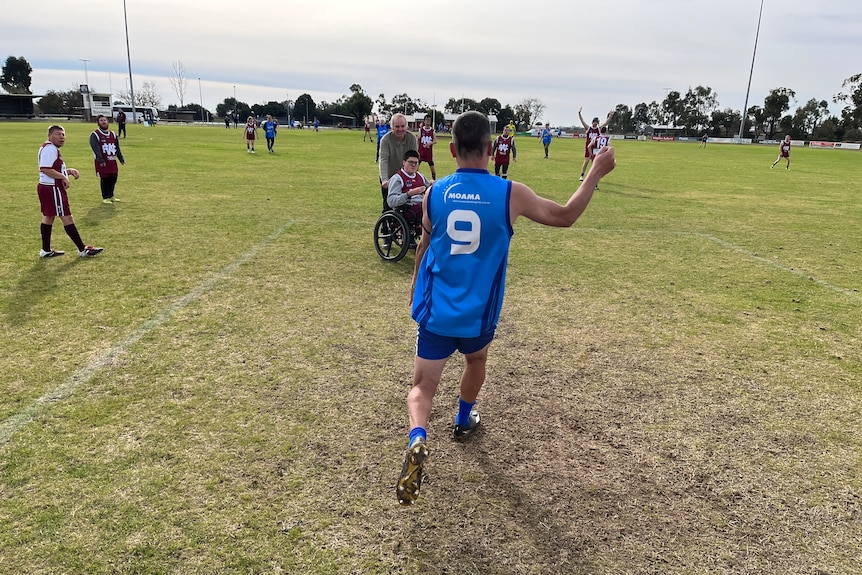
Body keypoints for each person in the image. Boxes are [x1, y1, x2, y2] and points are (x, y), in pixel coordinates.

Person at [395, 111, 616, 506]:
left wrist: (414, 288)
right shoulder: (510, 193)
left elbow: (424, 247)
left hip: (436, 312)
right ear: (491, 148)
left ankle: (418, 438)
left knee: (421, 387)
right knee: (476, 361)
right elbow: (565, 216)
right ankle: (463, 420)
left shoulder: (434, 193)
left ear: (450, 150)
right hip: (478, 315)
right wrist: (594, 173)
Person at [37, 125, 104, 258]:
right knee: (67, 217)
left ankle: (45, 250)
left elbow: (50, 168)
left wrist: (67, 172)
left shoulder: (48, 147)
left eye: (63, 134)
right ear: (50, 135)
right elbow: (45, 169)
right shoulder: (50, 149)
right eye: (58, 134)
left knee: (49, 217)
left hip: (46, 187)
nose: (62, 137)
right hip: (52, 188)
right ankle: (82, 249)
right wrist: (63, 177)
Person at [378, 113, 418, 213]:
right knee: (388, 206)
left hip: (406, 177)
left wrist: (415, 176)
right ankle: (385, 227)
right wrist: (384, 179)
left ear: (406, 126)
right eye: (397, 126)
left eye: (402, 126)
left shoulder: (411, 138)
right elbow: (383, 159)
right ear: (392, 127)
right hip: (390, 177)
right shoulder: (385, 140)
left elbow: (414, 159)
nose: (400, 129)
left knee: (409, 206)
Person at [386, 149, 429, 227]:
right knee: (426, 209)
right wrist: (409, 194)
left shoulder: (420, 176)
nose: (413, 165)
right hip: (407, 208)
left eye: (416, 163)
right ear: (404, 162)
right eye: (411, 162)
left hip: (422, 204)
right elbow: (391, 201)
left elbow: (429, 189)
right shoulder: (397, 178)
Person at [89, 114, 126, 204]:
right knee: (105, 179)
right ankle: (105, 197)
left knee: (113, 178)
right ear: (98, 123)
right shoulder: (95, 135)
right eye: (101, 120)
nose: (103, 122)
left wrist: (121, 158)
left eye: (104, 120)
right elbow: (95, 148)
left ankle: (111, 195)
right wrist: (101, 160)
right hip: (103, 162)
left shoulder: (113, 134)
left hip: (112, 161)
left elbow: (117, 147)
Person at [578, 107, 614, 181]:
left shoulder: (599, 129)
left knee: (594, 163)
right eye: (595, 122)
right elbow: (582, 121)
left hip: (596, 149)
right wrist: (579, 114)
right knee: (586, 161)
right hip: (588, 148)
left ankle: (592, 177)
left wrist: (610, 115)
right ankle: (582, 175)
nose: (596, 123)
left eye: (597, 122)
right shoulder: (589, 128)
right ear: (592, 122)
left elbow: (606, 122)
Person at [417, 114, 438, 180]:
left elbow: (435, 140)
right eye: (426, 120)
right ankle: (415, 180)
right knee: (416, 168)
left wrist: (430, 143)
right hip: (421, 152)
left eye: (429, 120)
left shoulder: (432, 131)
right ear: (424, 121)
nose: (428, 122)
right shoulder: (421, 130)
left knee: (432, 169)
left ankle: (434, 181)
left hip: (428, 153)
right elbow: (418, 139)